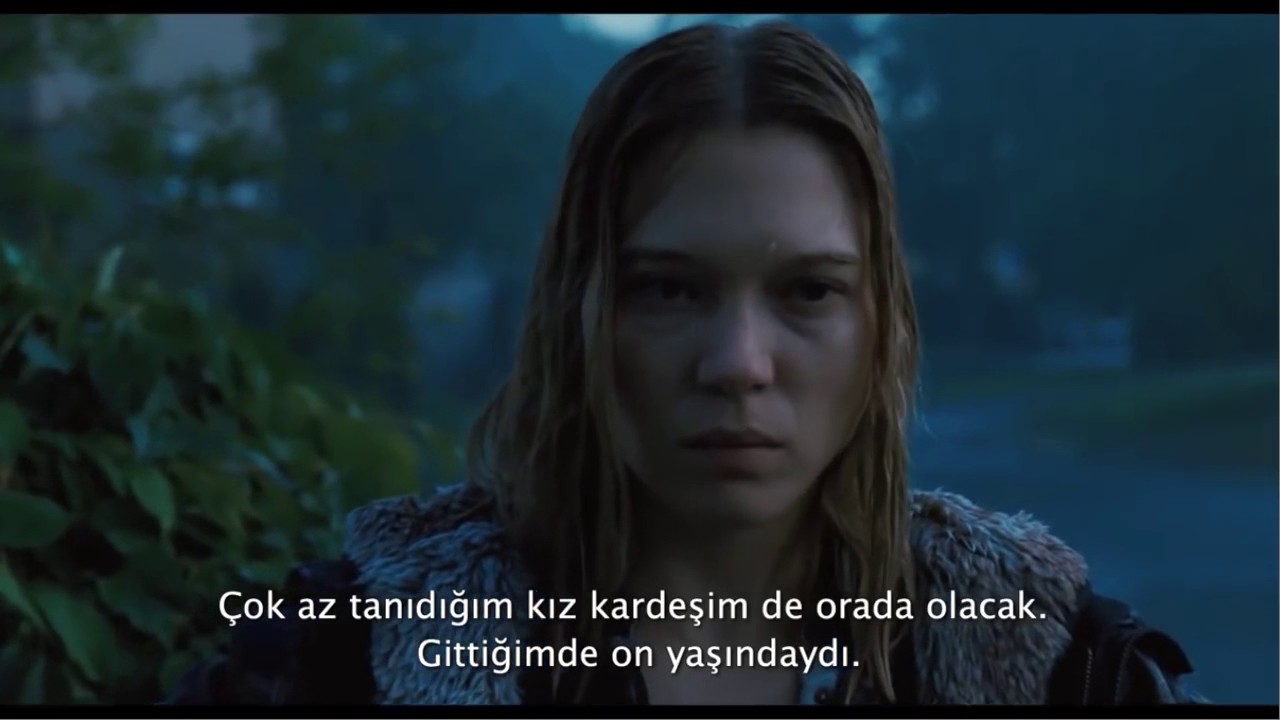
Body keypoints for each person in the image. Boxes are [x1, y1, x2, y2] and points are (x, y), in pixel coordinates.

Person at [168, 21, 1206, 706]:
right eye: (669, 289)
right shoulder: (344, 661)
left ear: (880, 321)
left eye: (807, 291)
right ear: (580, 310)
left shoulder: (1057, 666)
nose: (738, 364)